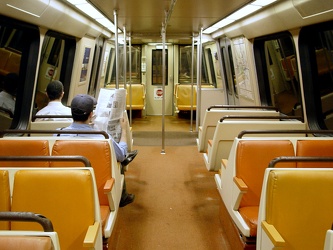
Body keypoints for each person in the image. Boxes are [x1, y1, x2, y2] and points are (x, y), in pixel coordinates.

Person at [59, 94, 137, 207]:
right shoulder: (102, 138)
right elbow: (121, 155)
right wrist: (124, 130)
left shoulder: (58, 134)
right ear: (91, 114)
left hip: (67, 186)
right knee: (121, 158)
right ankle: (123, 197)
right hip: (99, 188)